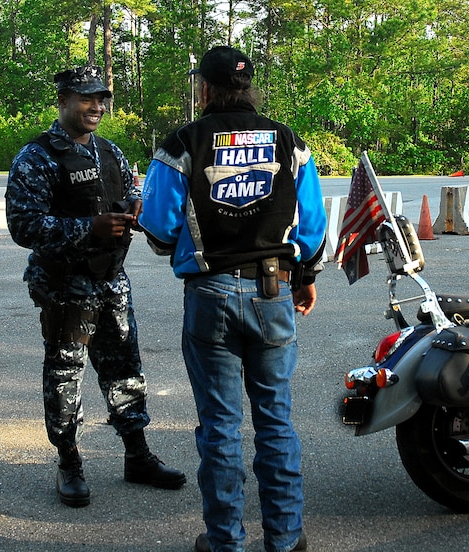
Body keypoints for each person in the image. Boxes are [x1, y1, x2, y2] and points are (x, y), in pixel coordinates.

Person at [138, 46, 327, 552]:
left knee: (220, 426)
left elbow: (157, 226)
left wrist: (176, 244)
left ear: (204, 87)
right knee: (275, 419)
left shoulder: (183, 143)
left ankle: (225, 542)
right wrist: (303, 272)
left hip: (210, 293)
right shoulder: (288, 141)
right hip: (273, 290)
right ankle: (285, 539)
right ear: (248, 86)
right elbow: (312, 225)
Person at [5, 65, 187, 508]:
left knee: (126, 368)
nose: (97, 107)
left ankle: (137, 454)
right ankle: (69, 462)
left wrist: (134, 210)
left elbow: (127, 194)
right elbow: (22, 225)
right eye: (87, 98)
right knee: (66, 375)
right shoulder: (38, 156)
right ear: (63, 101)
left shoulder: (110, 152)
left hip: (111, 281)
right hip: (65, 286)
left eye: (102, 98)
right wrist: (90, 228)